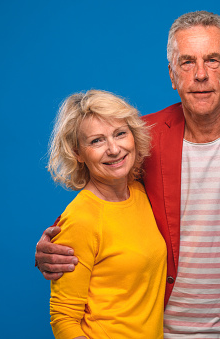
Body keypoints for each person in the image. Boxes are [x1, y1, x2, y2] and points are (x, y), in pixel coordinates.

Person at [36, 11, 220, 339]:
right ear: (172, 75)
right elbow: (103, 202)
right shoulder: (141, 138)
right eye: (187, 62)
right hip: (164, 331)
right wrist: (56, 245)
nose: (201, 75)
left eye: (212, 60)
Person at [45, 90, 167, 339]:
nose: (114, 149)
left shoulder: (140, 192)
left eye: (120, 134)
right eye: (96, 141)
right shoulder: (81, 218)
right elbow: (64, 318)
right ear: (78, 153)